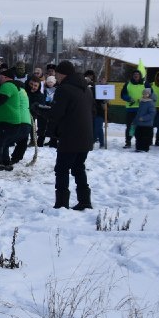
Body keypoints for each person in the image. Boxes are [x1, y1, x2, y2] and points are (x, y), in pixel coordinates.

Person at [48, 60, 94, 210]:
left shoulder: (64, 89)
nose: (56, 77)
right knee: (78, 167)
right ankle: (85, 201)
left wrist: (41, 111)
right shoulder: (86, 89)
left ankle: (61, 204)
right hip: (85, 136)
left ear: (62, 73)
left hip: (70, 136)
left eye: (57, 74)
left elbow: (57, 113)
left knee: (61, 169)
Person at [121, 69, 149, 148]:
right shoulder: (128, 84)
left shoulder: (145, 84)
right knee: (130, 127)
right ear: (132, 76)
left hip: (142, 109)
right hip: (131, 109)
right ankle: (128, 141)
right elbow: (123, 95)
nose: (136, 75)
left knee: (141, 126)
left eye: (137, 74)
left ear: (140, 76)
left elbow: (150, 94)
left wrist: (143, 99)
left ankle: (139, 141)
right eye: (134, 74)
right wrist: (128, 98)